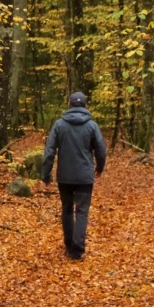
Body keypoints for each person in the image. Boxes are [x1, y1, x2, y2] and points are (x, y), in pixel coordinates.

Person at [41, 92, 107, 260]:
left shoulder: (59, 125)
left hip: (65, 176)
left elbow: (49, 151)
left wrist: (46, 175)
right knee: (82, 212)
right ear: (85, 105)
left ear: (69, 104)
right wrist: (100, 167)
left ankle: (69, 245)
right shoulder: (92, 126)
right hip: (84, 176)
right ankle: (77, 250)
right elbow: (101, 150)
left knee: (67, 210)